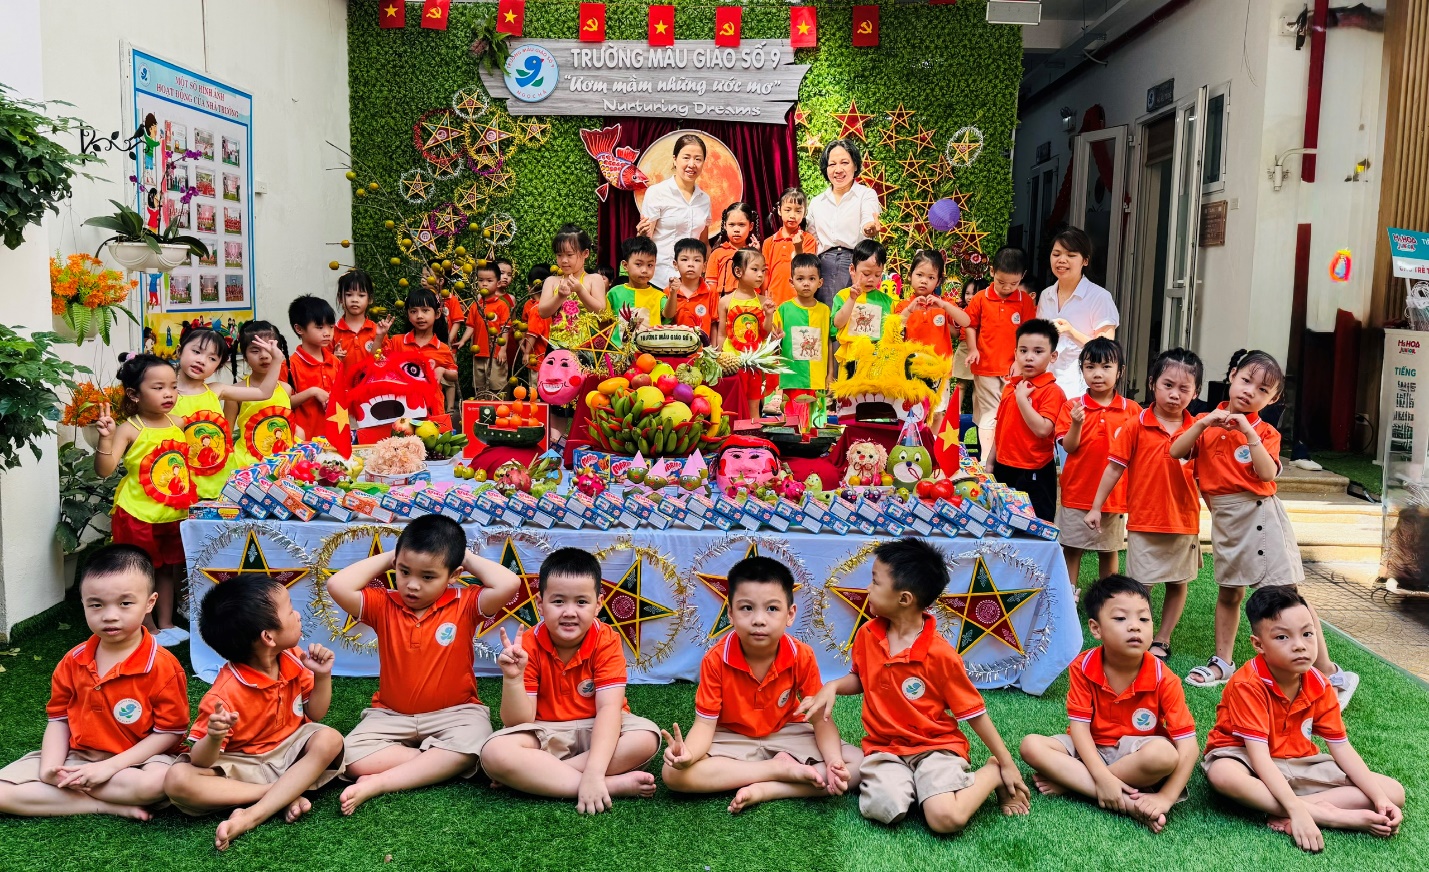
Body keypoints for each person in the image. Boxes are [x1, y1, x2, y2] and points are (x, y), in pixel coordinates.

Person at [801, 539, 1030, 832]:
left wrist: (1006, 761)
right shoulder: (867, 635)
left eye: (875, 582)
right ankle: (917, 784)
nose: (867, 589)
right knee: (884, 809)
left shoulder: (941, 655)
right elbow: (861, 677)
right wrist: (832, 686)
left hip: (936, 747)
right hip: (885, 749)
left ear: (904, 598)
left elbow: (973, 713)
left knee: (945, 819)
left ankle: (991, 773)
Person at [1172, 351, 1358, 702]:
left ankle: (1331, 674)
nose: (1250, 391)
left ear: (1272, 399)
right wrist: (1202, 424)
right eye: (1245, 380)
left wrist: (1248, 434)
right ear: (1232, 376)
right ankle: (1223, 662)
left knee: (1288, 597)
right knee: (1229, 592)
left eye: (1263, 389)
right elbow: (1176, 452)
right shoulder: (1205, 423)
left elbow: (1267, 473)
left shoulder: (1265, 432)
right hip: (1225, 520)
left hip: (1260, 516)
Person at [323, 515, 520, 815]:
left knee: (475, 741)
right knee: (349, 756)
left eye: (428, 576)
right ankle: (439, 763)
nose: (412, 585)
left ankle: (381, 782)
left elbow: (510, 583)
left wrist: (461, 554)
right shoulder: (383, 603)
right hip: (390, 715)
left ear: (453, 575)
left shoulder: (464, 602)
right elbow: (337, 585)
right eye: (404, 571)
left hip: (456, 713)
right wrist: (393, 554)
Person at [1202, 587, 1404, 853]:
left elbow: (1341, 748)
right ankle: (1328, 815)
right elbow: (1260, 757)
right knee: (1223, 775)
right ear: (1258, 644)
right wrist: (1298, 812)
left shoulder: (1320, 684)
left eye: (1308, 634)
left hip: (1298, 762)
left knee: (1393, 792)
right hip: (1245, 758)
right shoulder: (1247, 684)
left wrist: (1379, 799)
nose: (1300, 645)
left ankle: (1305, 806)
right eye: (1283, 637)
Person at [660, 556, 860, 814]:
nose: (759, 619)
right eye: (746, 608)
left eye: (772, 609)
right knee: (673, 775)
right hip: (731, 736)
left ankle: (771, 789)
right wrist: (687, 755)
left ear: (790, 615)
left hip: (787, 732)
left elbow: (820, 719)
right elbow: (705, 725)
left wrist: (833, 762)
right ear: (730, 613)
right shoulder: (715, 659)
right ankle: (775, 770)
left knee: (857, 765)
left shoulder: (802, 655)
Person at [0, 545, 188, 819]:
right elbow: (58, 719)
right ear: (84, 603)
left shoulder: (162, 665)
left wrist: (109, 768)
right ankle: (101, 804)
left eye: (125, 603)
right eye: (96, 604)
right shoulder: (73, 660)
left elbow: (170, 733)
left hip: (138, 763)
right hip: (79, 756)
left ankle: (68, 793)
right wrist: (50, 770)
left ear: (150, 602)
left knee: (158, 784)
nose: (109, 615)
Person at [163, 575, 344, 851]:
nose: (297, 614)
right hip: (241, 768)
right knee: (177, 780)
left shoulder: (294, 658)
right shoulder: (223, 695)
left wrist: (322, 676)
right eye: (290, 609)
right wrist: (213, 736)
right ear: (268, 637)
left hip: (289, 752)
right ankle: (280, 796)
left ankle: (251, 813)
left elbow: (315, 714)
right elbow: (200, 761)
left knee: (330, 739)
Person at [480, 548, 661, 813]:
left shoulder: (607, 640)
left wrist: (593, 771)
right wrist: (513, 678)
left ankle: (542, 776)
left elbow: (609, 710)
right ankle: (611, 785)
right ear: (540, 604)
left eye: (581, 602)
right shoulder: (528, 644)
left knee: (646, 737)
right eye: (558, 601)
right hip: (546, 732)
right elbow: (517, 722)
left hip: (597, 729)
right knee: (495, 752)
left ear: (598, 604)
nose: (569, 612)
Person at [1019, 575, 1198, 833]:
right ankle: (1125, 802)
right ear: (1095, 628)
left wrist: (1166, 798)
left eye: (1144, 619)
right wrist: (1101, 778)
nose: (1135, 626)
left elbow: (1188, 747)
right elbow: (1079, 730)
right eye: (1120, 618)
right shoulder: (1083, 666)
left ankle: (1074, 783)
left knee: (1165, 755)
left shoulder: (1163, 678)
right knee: (1031, 746)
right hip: (1089, 748)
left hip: (1136, 754)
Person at [1086, 349, 1204, 659]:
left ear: (1197, 392)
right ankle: (1136, 634)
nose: (1175, 395)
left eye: (1184, 388)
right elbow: (1114, 467)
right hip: (1143, 521)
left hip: (1184, 520)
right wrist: (1096, 505)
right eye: (1168, 385)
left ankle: (1162, 639)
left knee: (1178, 583)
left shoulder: (1199, 430)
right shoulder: (1135, 424)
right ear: (1153, 383)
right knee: (1141, 586)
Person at [95, 355, 197, 646]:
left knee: (167, 569)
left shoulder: (178, 423)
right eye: (158, 387)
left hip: (172, 514)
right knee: (141, 573)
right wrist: (106, 438)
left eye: (173, 387)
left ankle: (166, 622)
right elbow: (104, 470)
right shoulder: (130, 429)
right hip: (137, 515)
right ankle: (148, 627)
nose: (168, 393)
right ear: (133, 394)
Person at [1055, 338, 1141, 588]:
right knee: (1071, 548)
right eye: (1090, 367)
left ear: (1120, 371)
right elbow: (1069, 448)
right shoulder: (1072, 406)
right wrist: (1077, 424)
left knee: (1109, 549)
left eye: (1106, 367)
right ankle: (1068, 597)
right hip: (1076, 492)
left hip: (1114, 496)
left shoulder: (1132, 411)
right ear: (1081, 370)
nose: (1097, 374)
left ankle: (1109, 597)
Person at [173, 326, 280, 503]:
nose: (202, 361)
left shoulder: (216, 390)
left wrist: (276, 361)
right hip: (182, 482)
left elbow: (263, 392)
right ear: (179, 350)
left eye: (212, 358)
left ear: (218, 366)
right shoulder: (166, 396)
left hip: (219, 481)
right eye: (196, 351)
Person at [964, 248, 1037, 463]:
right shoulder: (980, 298)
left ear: (1022, 277)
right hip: (985, 366)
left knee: (1010, 414)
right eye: (1001, 282)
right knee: (989, 413)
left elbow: (1029, 333)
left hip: (1013, 371)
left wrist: (1019, 361)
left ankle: (1004, 458)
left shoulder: (1024, 301)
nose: (1006, 288)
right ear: (992, 271)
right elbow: (970, 325)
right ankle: (988, 461)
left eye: (1013, 284)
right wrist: (973, 349)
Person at [990, 319, 1065, 520]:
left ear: (1053, 356)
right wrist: (990, 463)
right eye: (1023, 351)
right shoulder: (1010, 387)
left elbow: (1043, 429)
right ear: (1015, 353)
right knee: (1001, 522)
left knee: (1035, 526)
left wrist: (1022, 399)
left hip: (1034, 471)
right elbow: (1001, 428)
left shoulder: (1052, 391)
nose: (1029, 357)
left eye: (1038, 352)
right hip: (1003, 466)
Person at [1036, 227, 1120, 399]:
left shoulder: (1099, 297)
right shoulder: (1046, 295)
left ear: (1085, 261)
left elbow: (1106, 350)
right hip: (1046, 384)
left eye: (1071, 255)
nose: (1061, 260)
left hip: (1080, 388)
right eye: (1056, 254)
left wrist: (1071, 332)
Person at [895, 251, 969, 435]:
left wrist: (944, 306)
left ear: (938, 281)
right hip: (911, 372)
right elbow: (893, 329)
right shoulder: (904, 305)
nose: (924, 281)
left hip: (940, 372)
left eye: (931, 277)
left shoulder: (944, 305)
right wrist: (911, 310)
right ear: (909, 275)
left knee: (937, 412)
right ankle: (912, 444)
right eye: (919, 275)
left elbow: (966, 322)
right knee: (911, 411)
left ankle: (933, 445)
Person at [807, 140, 882, 305]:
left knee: (852, 318)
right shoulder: (816, 202)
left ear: (855, 165)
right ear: (826, 169)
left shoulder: (866, 194)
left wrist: (869, 229)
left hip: (855, 263)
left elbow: (868, 220)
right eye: (832, 164)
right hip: (822, 266)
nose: (838, 170)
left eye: (844, 163)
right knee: (824, 316)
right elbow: (811, 239)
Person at [637, 133, 712, 288]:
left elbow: (704, 243)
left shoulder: (704, 199)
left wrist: (706, 275)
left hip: (691, 284)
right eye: (686, 157)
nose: (692, 164)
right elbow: (645, 240)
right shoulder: (657, 192)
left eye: (698, 159)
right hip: (659, 279)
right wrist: (641, 235)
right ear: (675, 159)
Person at [715, 249, 778, 420]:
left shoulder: (764, 302)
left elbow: (765, 333)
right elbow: (721, 334)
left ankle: (754, 437)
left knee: (753, 405)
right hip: (732, 362)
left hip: (754, 363)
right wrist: (719, 357)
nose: (760, 275)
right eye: (755, 269)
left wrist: (769, 314)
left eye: (763, 270)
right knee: (732, 403)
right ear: (738, 271)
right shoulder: (725, 301)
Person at [225, 321, 296, 468]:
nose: (264, 355)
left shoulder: (286, 388)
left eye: (269, 348)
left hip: (284, 462)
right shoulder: (236, 392)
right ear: (244, 356)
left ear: (279, 352)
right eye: (255, 351)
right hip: (249, 465)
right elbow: (227, 435)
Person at [774, 253, 835, 411]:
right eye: (800, 279)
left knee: (815, 428)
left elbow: (828, 343)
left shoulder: (824, 311)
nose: (806, 284)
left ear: (820, 282)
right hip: (792, 379)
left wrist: (830, 374)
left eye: (811, 279)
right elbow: (774, 342)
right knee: (793, 426)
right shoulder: (783, 310)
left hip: (817, 380)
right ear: (791, 281)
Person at [832, 239, 894, 376]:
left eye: (877, 274)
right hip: (851, 358)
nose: (872, 279)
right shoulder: (843, 296)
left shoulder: (887, 301)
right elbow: (838, 323)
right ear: (852, 269)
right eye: (866, 274)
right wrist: (852, 299)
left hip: (877, 361)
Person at [385, 287, 459, 401]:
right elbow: (377, 359)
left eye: (425, 310)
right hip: (402, 406)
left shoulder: (442, 348)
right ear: (408, 315)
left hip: (432, 407)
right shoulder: (397, 341)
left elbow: (454, 374)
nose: (419, 316)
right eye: (413, 311)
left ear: (437, 313)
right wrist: (380, 336)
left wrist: (443, 370)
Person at [286, 295, 340, 443]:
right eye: (319, 327)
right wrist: (312, 392)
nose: (327, 332)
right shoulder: (290, 366)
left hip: (334, 439)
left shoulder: (335, 362)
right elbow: (283, 403)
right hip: (304, 443)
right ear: (299, 329)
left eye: (331, 326)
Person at [454, 262, 511, 398]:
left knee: (498, 385)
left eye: (489, 281)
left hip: (496, 354)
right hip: (479, 353)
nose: (484, 284)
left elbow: (505, 330)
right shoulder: (475, 306)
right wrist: (462, 341)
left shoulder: (502, 306)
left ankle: (499, 410)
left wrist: (502, 350)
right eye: (481, 280)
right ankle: (481, 410)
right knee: (480, 387)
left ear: (497, 283)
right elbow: (470, 326)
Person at [538, 224, 609, 329]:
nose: (564, 260)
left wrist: (580, 291)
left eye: (569, 255)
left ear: (585, 253)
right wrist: (560, 296)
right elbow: (542, 312)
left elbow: (601, 312)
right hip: (557, 344)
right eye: (559, 255)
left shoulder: (594, 279)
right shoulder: (551, 281)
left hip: (587, 344)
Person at [762, 188, 818, 307]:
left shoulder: (808, 240)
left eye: (798, 211)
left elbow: (806, 270)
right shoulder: (769, 242)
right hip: (774, 301)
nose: (792, 215)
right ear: (779, 210)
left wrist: (798, 248)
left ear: (804, 213)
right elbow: (765, 273)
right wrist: (762, 296)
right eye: (787, 210)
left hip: (800, 301)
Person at [605, 236, 665, 346]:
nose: (644, 270)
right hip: (618, 355)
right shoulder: (614, 294)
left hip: (650, 354)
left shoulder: (659, 296)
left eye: (650, 265)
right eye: (638, 264)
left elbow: (669, 315)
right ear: (625, 265)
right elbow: (604, 323)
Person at [661, 237, 719, 342]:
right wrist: (673, 293)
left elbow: (714, 324)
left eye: (697, 260)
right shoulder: (668, 291)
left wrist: (715, 351)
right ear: (675, 264)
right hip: (676, 349)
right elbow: (667, 318)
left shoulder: (711, 291)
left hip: (703, 352)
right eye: (684, 259)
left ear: (704, 266)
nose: (691, 264)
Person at [334, 269, 393, 366]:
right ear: (340, 298)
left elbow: (381, 365)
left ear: (370, 299)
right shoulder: (332, 332)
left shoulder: (378, 331)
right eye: (348, 295)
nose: (355, 300)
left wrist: (379, 338)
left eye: (361, 295)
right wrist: (333, 358)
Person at [707, 202, 760, 296]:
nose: (736, 229)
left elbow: (759, 281)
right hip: (723, 305)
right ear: (725, 226)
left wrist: (756, 255)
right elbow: (711, 286)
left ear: (750, 226)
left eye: (741, 225)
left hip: (748, 304)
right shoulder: (717, 253)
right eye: (732, 224)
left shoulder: (755, 253)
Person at [952, 277, 987, 415]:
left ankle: (979, 416)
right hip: (963, 347)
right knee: (961, 385)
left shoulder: (986, 310)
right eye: (967, 293)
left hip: (981, 350)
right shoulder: (962, 310)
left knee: (979, 387)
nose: (970, 297)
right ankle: (955, 413)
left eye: (975, 293)